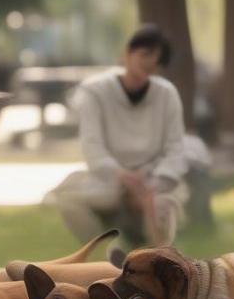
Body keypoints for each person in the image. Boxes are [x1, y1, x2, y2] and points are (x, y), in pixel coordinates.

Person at [46, 24, 190, 247]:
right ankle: (104, 250)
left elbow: (175, 149)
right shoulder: (94, 91)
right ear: (127, 53)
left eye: (158, 59)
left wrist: (155, 181)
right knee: (69, 201)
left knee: (167, 205)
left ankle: (158, 255)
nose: (150, 62)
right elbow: (92, 146)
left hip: (153, 179)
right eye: (145, 54)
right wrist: (121, 175)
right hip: (109, 177)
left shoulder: (167, 94)